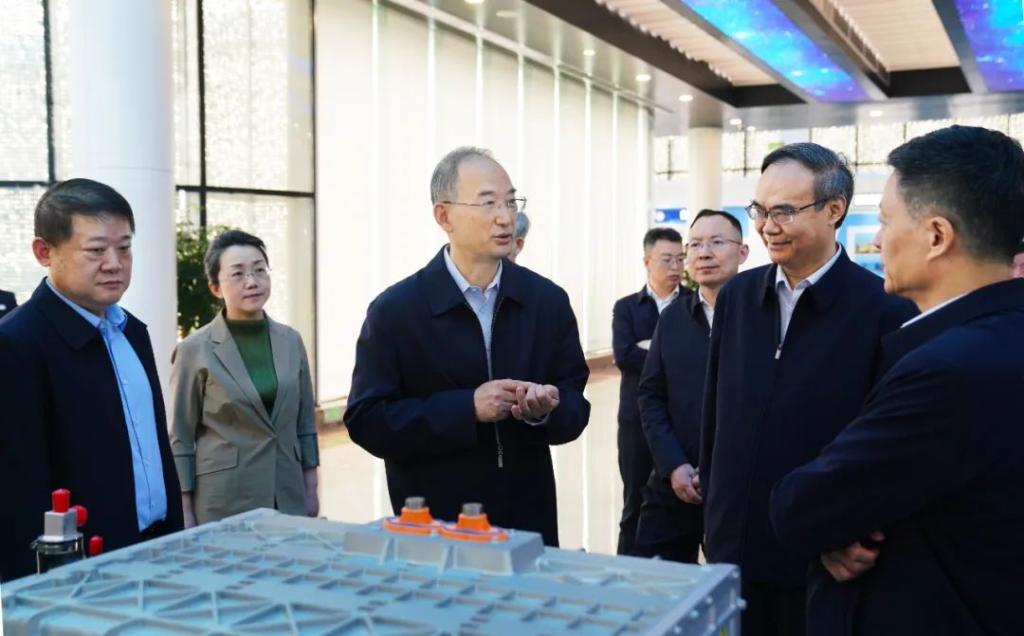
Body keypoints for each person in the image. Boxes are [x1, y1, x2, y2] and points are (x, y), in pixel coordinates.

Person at [771, 125, 1024, 636]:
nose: (878, 239)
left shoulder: (947, 371)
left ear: (936, 236)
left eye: (886, 221)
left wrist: (836, 524)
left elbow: (803, 505)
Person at [698, 143, 916, 636]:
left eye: (784, 212)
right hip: (731, 547)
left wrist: (844, 531)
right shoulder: (737, 297)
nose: (767, 226)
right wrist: (711, 516)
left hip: (820, 556)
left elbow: (884, 450)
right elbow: (715, 413)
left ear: (834, 209)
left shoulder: (884, 311)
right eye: (759, 210)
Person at [344, 147, 590, 545]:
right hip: (435, 526)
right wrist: (467, 408)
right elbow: (367, 420)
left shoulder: (547, 301)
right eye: (488, 203)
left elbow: (576, 406)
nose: (505, 217)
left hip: (527, 521)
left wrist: (546, 410)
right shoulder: (396, 311)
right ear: (444, 216)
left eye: (511, 202)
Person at [0, 178, 183, 582]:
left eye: (124, 248)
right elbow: (15, 492)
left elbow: (154, 449)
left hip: (157, 552)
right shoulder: (16, 344)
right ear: (44, 252)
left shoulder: (131, 331)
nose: (114, 263)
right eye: (96, 250)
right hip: (77, 573)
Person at [169, 230, 320, 527]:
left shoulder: (291, 340)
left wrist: (311, 485)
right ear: (215, 287)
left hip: (287, 492)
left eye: (259, 270)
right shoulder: (194, 350)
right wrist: (184, 506)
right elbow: (180, 436)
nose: (252, 282)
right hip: (225, 498)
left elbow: (304, 422)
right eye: (238, 274)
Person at [635, 210, 747, 562]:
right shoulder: (673, 318)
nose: (704, 253)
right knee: (657, 578)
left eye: (717, 242)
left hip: (740, 488)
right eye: (695, 244)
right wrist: (673, 465)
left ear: (743, 252)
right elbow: (650, 395)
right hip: (675, 480)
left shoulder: (763, 317)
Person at [610, 227, 686, 556]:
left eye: (680, 259)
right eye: (667, 259)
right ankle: (627, 569)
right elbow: (624, 355)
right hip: (636, 421)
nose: (675, 267)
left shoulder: (692, 305)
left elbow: (699, 358)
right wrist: (672, 356)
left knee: (680, 506)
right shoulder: (627, 307)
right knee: (634, 502)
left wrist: (651, 349)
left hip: (681, 422)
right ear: (647, 261)